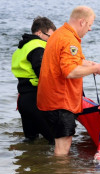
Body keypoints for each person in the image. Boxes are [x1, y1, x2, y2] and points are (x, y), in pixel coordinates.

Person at [37, 6, 100, 156]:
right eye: (90, 25)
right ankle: (61, 169)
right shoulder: (69, 40)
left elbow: (67, 61)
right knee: (62, 149)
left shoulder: (59, 34)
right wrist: (95, 69)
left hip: (50, 101)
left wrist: (91, 64)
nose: (90, 29)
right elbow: (70, 71)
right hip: (60, 103)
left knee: (61, 144)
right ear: (82, 22)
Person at [11, 16, 56, 144]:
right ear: (39, 33)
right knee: (56, 140)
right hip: (36, 100)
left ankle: (28, 161)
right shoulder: (38, 46)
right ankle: (60, 164)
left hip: (23, 101)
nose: (50, 41)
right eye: (50, 36)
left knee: (31, 140)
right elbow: (43, 73)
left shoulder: (21, 48)